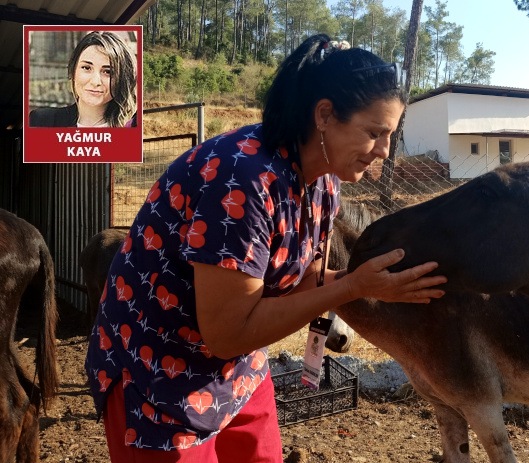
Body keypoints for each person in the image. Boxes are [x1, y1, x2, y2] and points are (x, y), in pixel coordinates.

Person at [84, 33, 446, 463]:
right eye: (374, 132)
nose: (384, 151)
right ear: (325, 115)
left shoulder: (324, 181)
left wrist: (368, 283)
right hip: (159, 376)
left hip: (235, 373)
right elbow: (227, 333)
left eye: (390, 135)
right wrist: (350, 289)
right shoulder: (242, 179)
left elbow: (299, 279)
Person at [29, 31, 137, 128]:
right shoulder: (41, 121)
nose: (95, 82)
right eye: (86, 68)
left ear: (122, 78)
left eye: (108, 72)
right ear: (73, 71)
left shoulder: (133, 127)